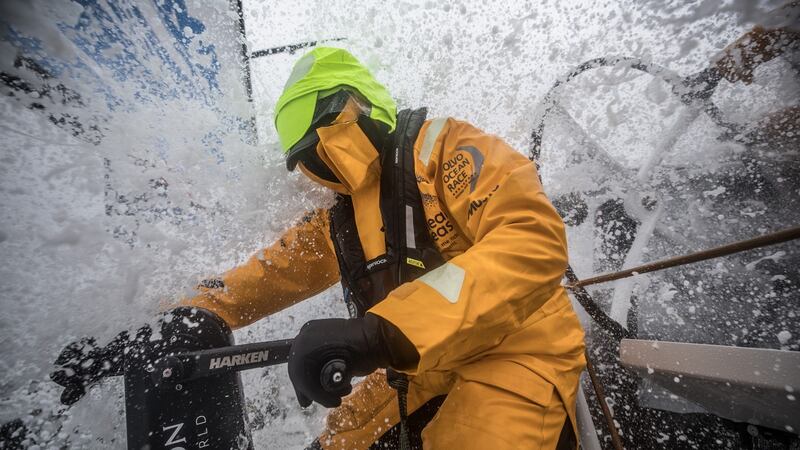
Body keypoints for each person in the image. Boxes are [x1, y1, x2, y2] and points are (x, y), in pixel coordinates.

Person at [51, 47, 586, 449]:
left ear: (355, 109)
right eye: (312, 160)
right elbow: (256, 281)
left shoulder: (449, 149)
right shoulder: (340, 219)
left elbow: (532, 242)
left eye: (327, 146)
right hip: (418, 366)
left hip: (517, 353)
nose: (325, 171)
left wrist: (379, 331)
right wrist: (165, 326)